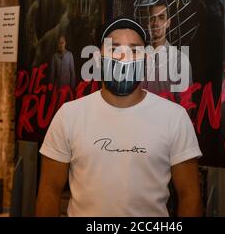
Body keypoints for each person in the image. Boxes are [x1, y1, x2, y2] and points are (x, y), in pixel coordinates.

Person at [36, 18, 203, 217]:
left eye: (134, 50)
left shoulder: (174, 118)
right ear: (98, 59)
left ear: (147, 60)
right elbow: (49, 191)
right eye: (114, 48)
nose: (124, 57)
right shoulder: (69, 115)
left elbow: (190, 195)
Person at [134, 0, 194, 98]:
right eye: (152, 18)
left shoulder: (179, 60)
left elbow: (185, 107)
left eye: (161, 17)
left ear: (168, 22)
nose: (156, 23)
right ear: (147, 23)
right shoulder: (137, 57)